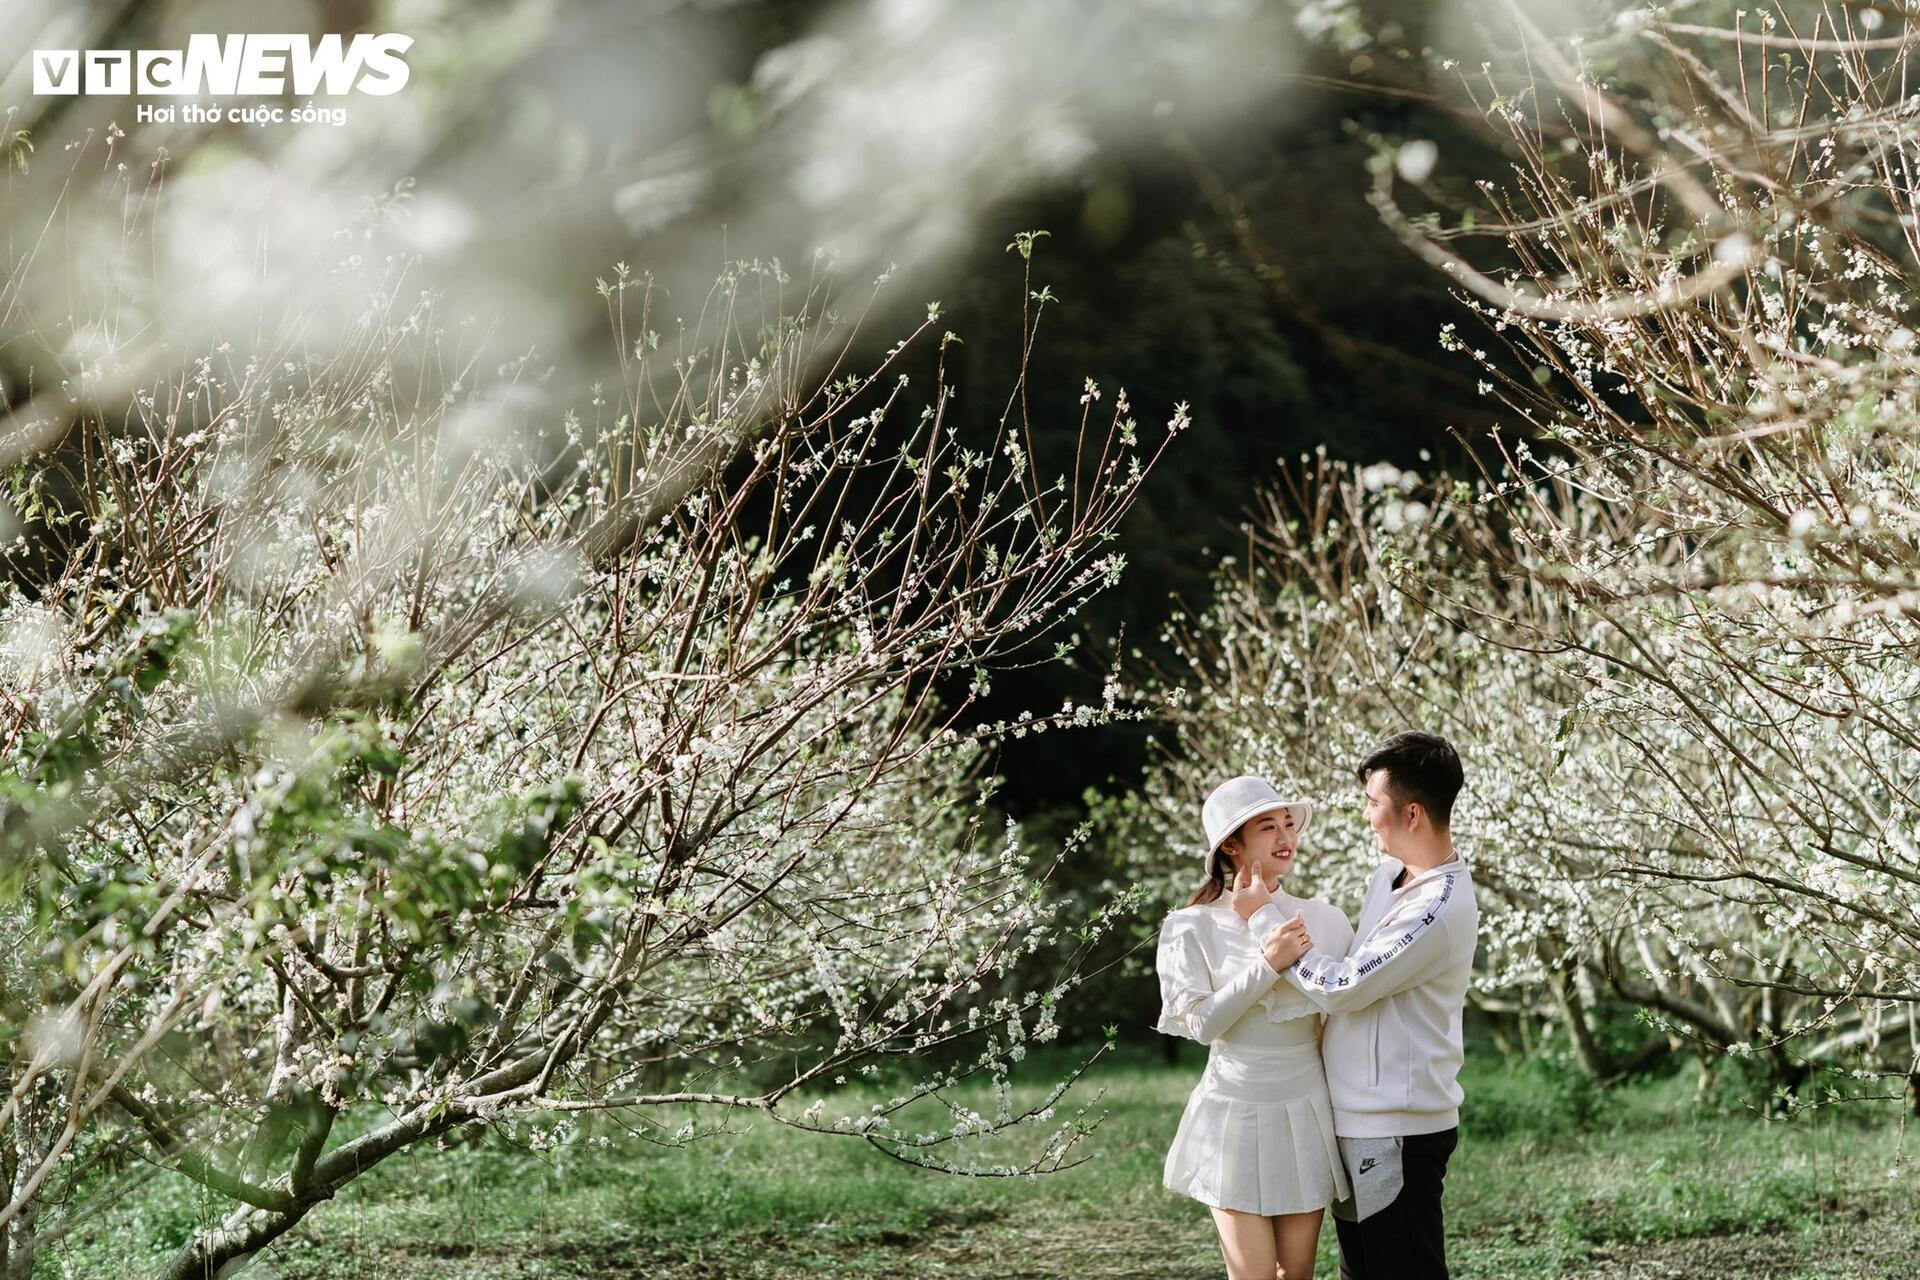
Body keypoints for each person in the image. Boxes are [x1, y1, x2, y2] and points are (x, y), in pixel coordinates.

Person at [1252, 732, 1477, 1280]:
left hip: (1396, 1127)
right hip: (1361, 1119)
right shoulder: (1389, 876)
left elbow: (1345, 986)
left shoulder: (1437, 907)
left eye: (1373, 802)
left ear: (1412, 813)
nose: (1365, 814)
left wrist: (1264, 923)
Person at [1156, 775, 1356, 1280]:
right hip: (1233, 1111)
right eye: (1268, 827)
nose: (1286, 837)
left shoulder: (1326, 919)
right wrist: (1268, 964)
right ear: (1231, 844)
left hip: (1307, 1106)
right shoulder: (1189, 926)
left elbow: (1343, 1015)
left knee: (1298, 1273)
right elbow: (1202, 1025)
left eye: (1289, 824)